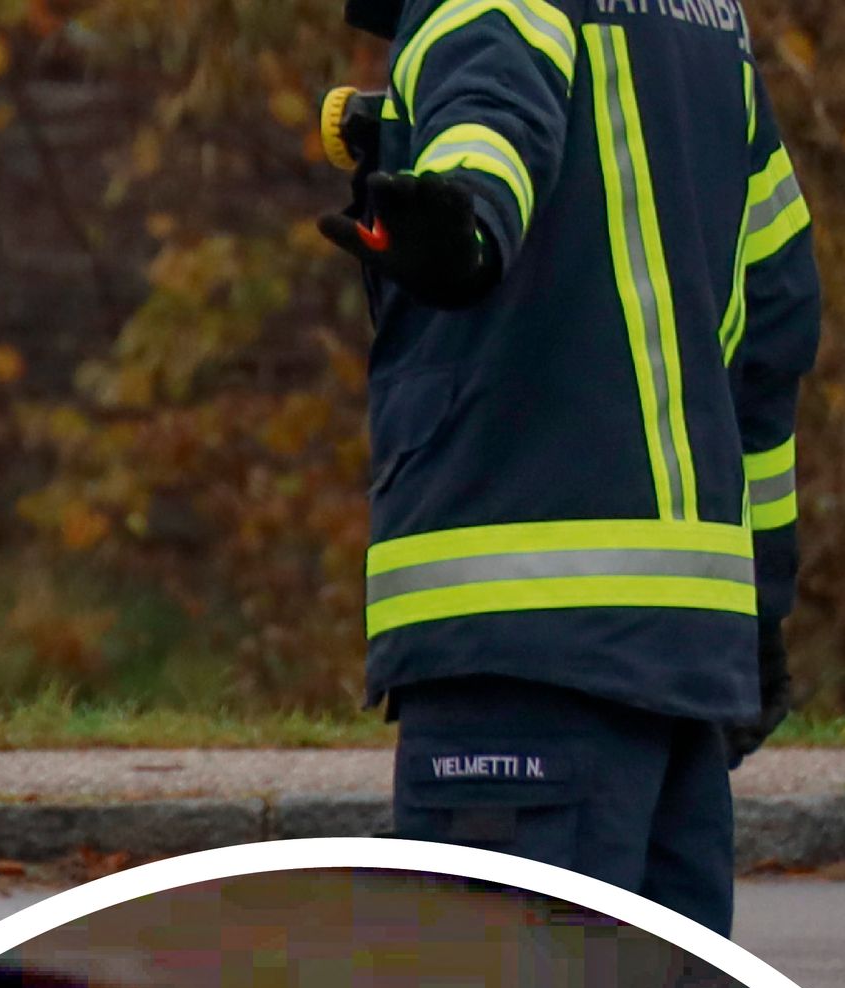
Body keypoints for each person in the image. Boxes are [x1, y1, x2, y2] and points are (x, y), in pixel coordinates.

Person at [325, 0, 820, 932]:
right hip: (683, 661)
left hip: (522, 652)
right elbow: (777, 318)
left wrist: (459, 224)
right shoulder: (706, 24)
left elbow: (490, 128)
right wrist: (761, 607)